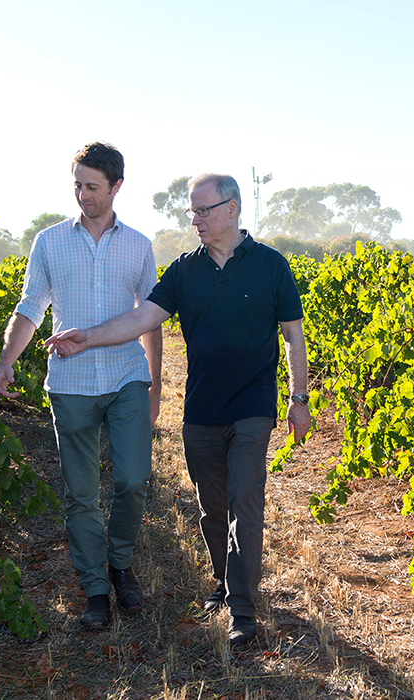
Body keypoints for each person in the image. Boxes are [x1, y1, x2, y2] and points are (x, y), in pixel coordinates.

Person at [43, 173, 310, 647]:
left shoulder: (272, 266)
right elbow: (142, 318)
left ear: (231, 209)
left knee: (244, 503)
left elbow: (293, 337)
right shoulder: (185, 270)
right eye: (192, 211)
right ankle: (222, 584)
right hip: (201, 410)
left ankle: (243, 613)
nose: (195, 220)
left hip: (253, 407)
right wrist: (88, 337)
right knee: (212, 507)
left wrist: (298, 399)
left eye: (204, 210)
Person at [0, 142, 162, 630]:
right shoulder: (48, 242)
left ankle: (121, 564)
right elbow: (30, 308)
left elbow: (149, 319)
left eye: (92, 186)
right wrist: (7, 360)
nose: (82, 195)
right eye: (77, 185)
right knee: (81, 493)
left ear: (116, 187)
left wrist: (155, 385)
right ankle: (95, 588)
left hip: (127, 377)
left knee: (132, 480)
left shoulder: (138, 246)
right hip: (69, 385)